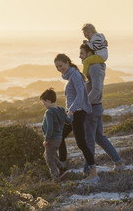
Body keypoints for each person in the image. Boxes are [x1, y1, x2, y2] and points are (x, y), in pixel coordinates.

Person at [79, 44, 125, 173]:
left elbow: (97, 89)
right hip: (94, 107)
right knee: (99, 137)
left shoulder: (94, 67)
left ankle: (88, 171)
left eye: (82, 53)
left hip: (92, 108)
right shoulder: (93, 66)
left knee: (89, 140)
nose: (79, 56)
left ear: (89, 54)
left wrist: (85, 103)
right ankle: (119, 162)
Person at [54, 53, 99, 182]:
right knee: (60, 136)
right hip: (72, 114)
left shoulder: (75, 75)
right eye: (57, 67)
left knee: (81, 143)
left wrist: (71, 111)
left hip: (77, 113)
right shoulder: (70, 76)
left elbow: (81, 95)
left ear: (68, 62)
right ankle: (63, 167)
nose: (59, 69)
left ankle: (94, 173)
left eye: (61, 65)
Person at [40, 88, 70, 182]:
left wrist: (46, 140)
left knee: (49, 160)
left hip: (52, 138)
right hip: (59, 138)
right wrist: (70, 114)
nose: (43, 104)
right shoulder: (61, 109)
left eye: (43, 102)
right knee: (49, 156)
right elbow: (68, 121)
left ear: (48, 100)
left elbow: (50, 128)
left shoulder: (49, 112)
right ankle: (63, 168)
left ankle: (56, 177)